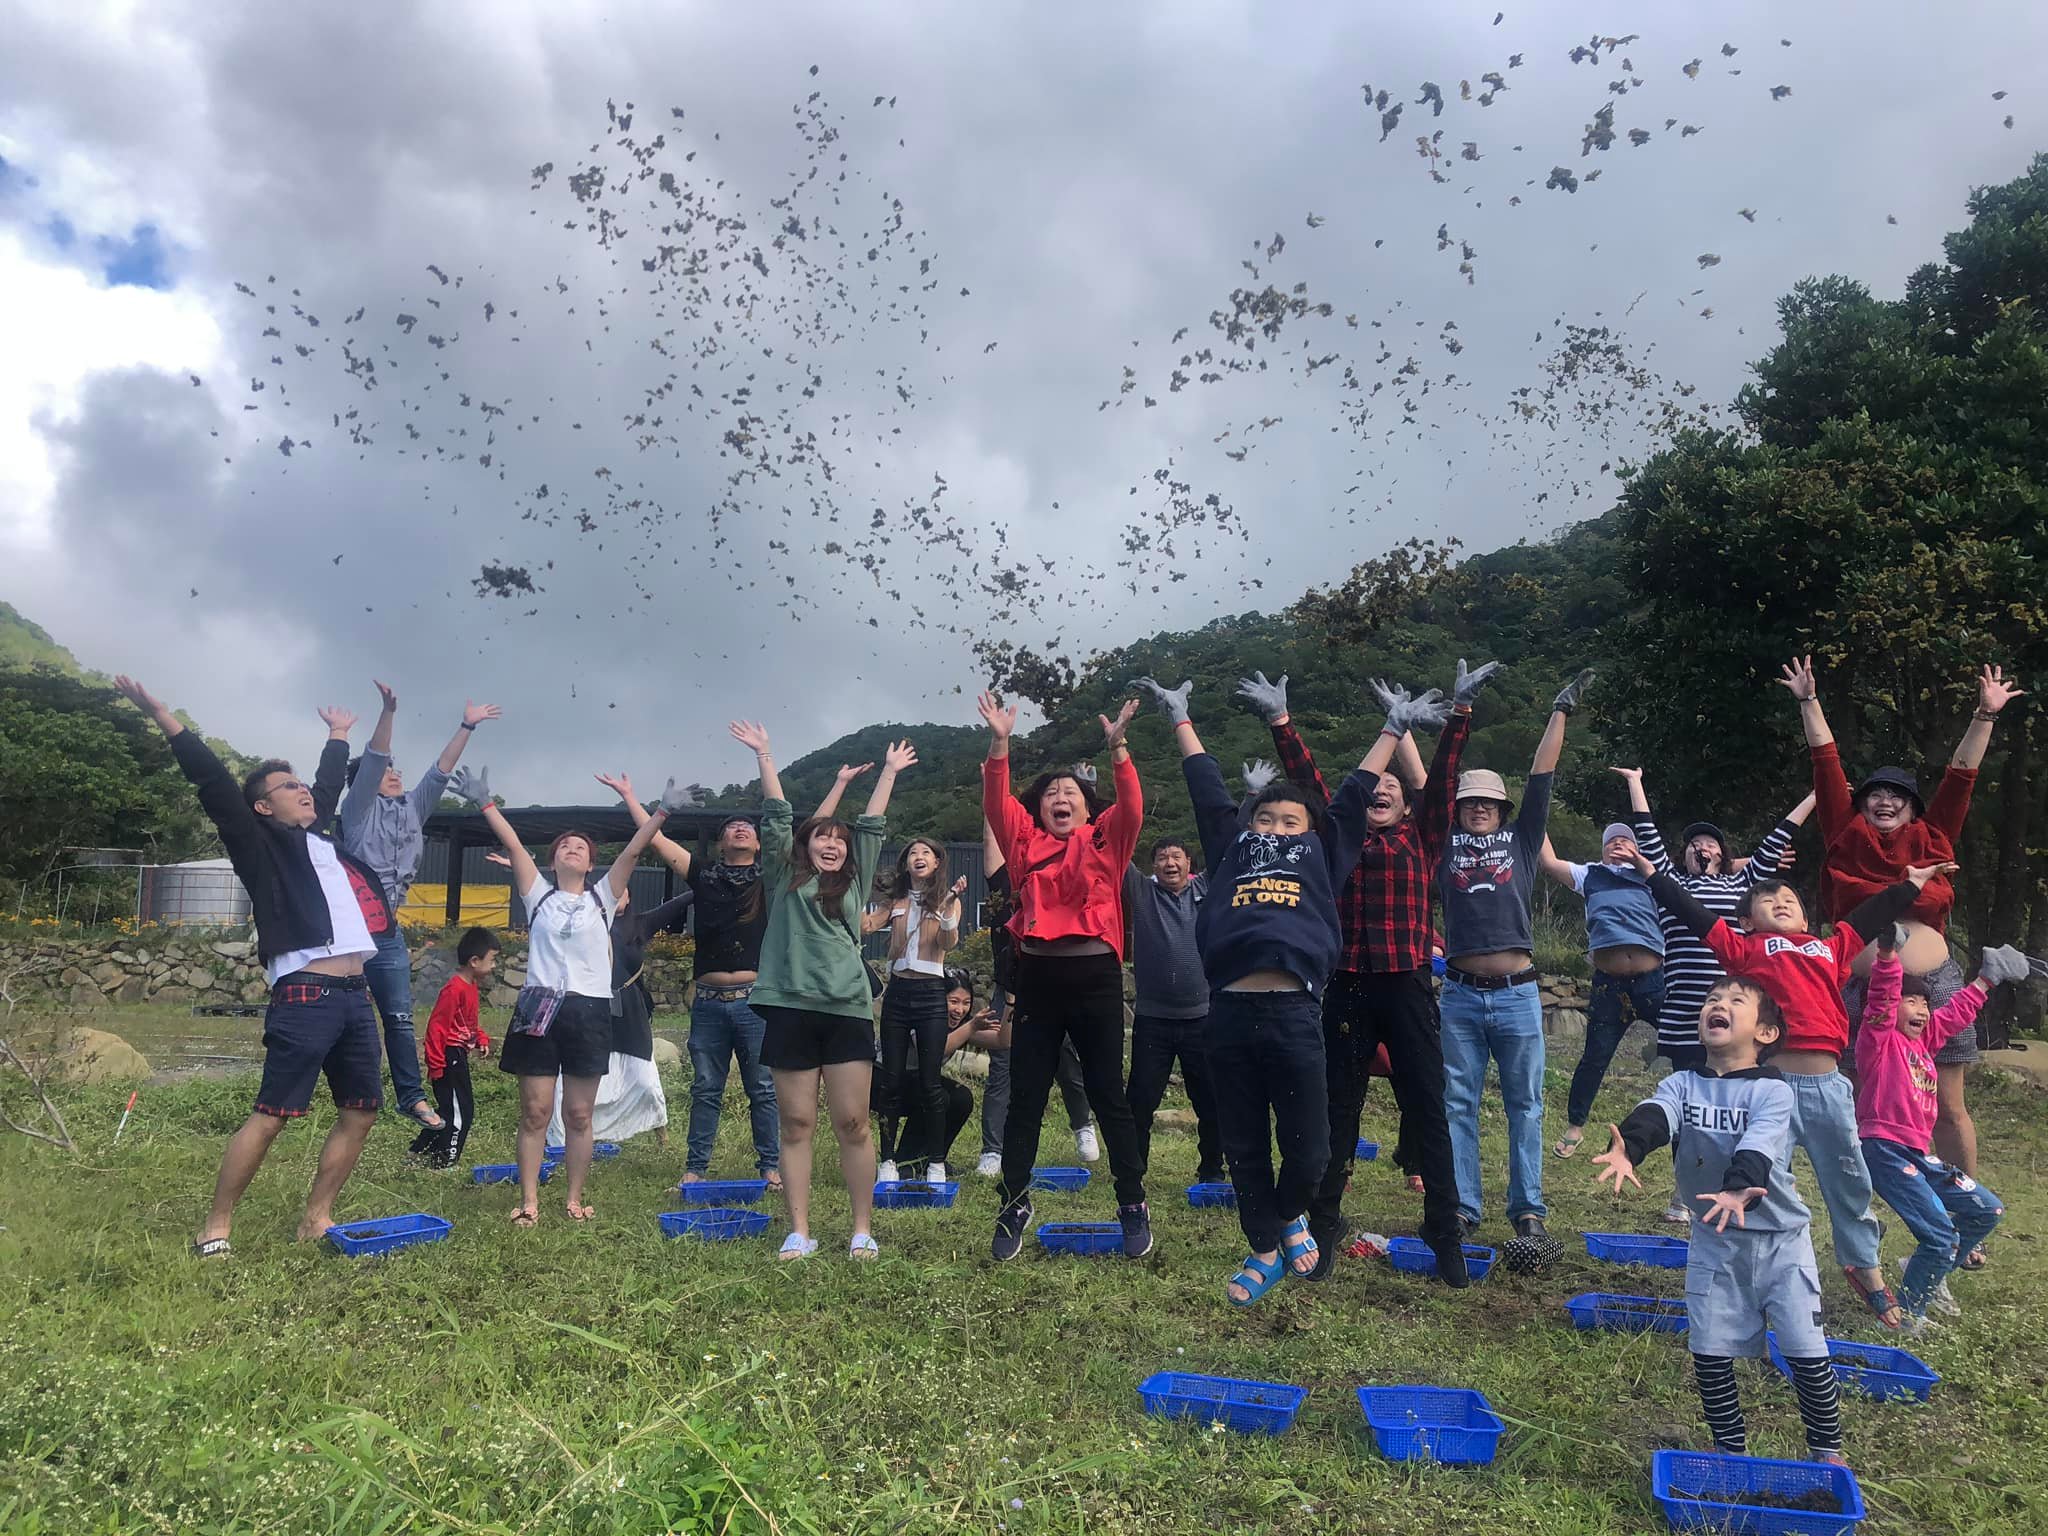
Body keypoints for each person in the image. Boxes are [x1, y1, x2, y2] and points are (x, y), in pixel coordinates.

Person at [113, 677, 393, 1254]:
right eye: (289, 787)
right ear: (264, 806)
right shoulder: (258, 842)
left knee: (361, 1111)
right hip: (307, 993)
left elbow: (327, 785)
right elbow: (213, 783)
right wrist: (164, 714)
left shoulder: (321, 839)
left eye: (303, 785)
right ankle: (216, 1227)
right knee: (272, 1115)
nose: (305, 792)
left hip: (355, 995)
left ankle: (317, 1218)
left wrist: (339, 736)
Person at [1243, 661, 1492, 1287]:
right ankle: (1322, 1225)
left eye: (1390, 789)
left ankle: (1444, 1230)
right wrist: (1281, 722)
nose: (1378, 791)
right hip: (1346, 987)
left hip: (1408, 985)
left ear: (1405, 803)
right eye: (1372, 787)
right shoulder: (1338, 839)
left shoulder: (1425, 838)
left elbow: (1443, 782)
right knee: (1336, 1112)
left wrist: (1459, 716)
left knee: (1428, 1109)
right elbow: (1308, 781)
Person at [1638, 851, 1944, 1329]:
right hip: (1769, 1089)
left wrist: (1910, 886)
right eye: (1767, 898)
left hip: (1827, 1087)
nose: (1780, 901)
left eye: (1789, 898)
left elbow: (1868, 916)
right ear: (1746, 921)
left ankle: (1864, 1268)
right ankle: (1744, 1273)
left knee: (1849, 1181)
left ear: (1805, 914)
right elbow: (1691, 912)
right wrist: (1653, 875)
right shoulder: (1745, 949)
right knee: (1759, 1181)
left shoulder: (1830, 947)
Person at [1140, 678, 1370, 1305]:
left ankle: (1292, 1214)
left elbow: (1350, 800)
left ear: (1309, 830)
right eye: (1264, 816)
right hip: (1231, 1013)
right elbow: (1208, 792)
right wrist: (1182, 719)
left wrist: (1393, 730)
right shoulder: (1234, 849)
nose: (1274, 825)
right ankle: (1264, 1247)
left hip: (1295, 1010)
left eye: (1288, 819)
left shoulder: (1322, 853)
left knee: (1311, 1150)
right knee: (1241, 1143)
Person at [1781, 657, 2022, 1192]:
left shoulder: (1934, 837)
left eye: (1896, 796)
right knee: (1851, 1093)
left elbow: (1961, 777)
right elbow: (1826, 764)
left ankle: (1962, 1204)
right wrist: (1808, 700)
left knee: (1949, 1104)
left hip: (1933, 985)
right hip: (1860, 982)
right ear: (1861, 805)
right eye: (1874, 794)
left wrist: (1985, 714)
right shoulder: (1846, 833)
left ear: (1913, 808)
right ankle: (1863, 1198)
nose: (1884, 800)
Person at [1591, 976, 1846, 1468]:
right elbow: (1657, 1114)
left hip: (1780, 1242)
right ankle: (1729, 1449)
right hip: (1714, 1236)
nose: (1718, 1005)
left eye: (1735, 1001)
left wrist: (1737, 1187)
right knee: (1709, 1348)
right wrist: (1631, 1146)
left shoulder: (1774, 1091)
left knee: (1804, 1347)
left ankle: (1827, 1453)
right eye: (1712, 999)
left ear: (1766, 1033)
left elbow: (1762, 1142)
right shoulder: (1682, 1083)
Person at [457, 764, 680, 1226]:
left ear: (591, 863)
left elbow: (636, 849)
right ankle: (529, 1201)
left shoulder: (603, 896)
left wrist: (662, 811)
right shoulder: (536, 894)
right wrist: (483, 802)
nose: (572, 849)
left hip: (589, 1011)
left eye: (581, 847)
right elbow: (515, 845)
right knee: (535, 1111)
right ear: (553, 859)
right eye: (564, 846)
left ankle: (575, 1198)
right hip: (539, 1007)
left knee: (579, 1113)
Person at [978, 689, 1152, 1262]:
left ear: (1085, 805)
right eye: (1051, 793)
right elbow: (996, 800)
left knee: (1108, 1094)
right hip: (1039, 981)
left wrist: (1119, 746)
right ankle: (1015, 1202)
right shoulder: (1023, 843)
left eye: (1070, 792)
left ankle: (1131, 1201)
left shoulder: (1107, 838)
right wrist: (1001, 742)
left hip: (1096, 977)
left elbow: (1131, 805)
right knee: (1026, 1096)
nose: (1060, 797)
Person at [734, 721, 912, 1260]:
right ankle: (799, 1230)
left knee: (853, 1122)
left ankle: (862, 1228)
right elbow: (778, 817)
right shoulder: (783, 878)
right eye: (822, 837)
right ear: (804, 847)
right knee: (797, 1123)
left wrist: (888, 772)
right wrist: (766, 755)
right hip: (789, 1010)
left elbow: (872, 825)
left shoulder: (853, 884)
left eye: (839, 840)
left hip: (846, 1011)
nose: (832, 844)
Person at [1438, 669, 1593, 1260]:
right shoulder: (1442, 844)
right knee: (1459, 1100)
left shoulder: (1524, 841)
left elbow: (1541, 779)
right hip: (1458, 992)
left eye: (1488, 802)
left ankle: (1527, 1209)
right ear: (1458, 809)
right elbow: (1424, 787)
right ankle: (1463, 1205)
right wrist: (1405, 727)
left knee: (1525, 1102)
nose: (1479, 808)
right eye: (1469, 801)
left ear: (1502, 810)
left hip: (1518, 993)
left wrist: (1560, 712)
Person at [1617, 767, 1812, 1222]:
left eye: (1710, 844)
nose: (1700, 848)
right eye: (1692, 844)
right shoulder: (1672, 885)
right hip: (1687, 1012)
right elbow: (1647, 838)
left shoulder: (1742, 887)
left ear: (1725, 855)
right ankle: (1687, 1191)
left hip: (1740, 1016)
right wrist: (1635, 782)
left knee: (1753, 1100)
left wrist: (1814, 798)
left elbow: (1773, 842)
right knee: (1689, 1106)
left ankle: (1760, 1177)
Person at [597, 770, 803, 1190]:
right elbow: (654, 839)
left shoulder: (770, 879)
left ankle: (771, 1167)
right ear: (721, 843)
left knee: (762, 1088)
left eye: (747, 827)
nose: (739, 829)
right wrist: (631, 794)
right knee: (705, 1087)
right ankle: (695, 1168)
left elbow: (785, 823)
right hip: (708, 1000)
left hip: (755, 1000)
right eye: (731, 828)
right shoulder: (703, 874)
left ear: (760, 842)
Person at [336, 681, 500, 1132]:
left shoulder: (412, 809)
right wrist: (388, 713)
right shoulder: (356, 813)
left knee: (400, 1018)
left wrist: (467, 723)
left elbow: (440, 771)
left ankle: (410, 1098)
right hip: (345, 932)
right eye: (387, 771)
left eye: (396, 769)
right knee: (337, 1017)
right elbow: (370, 763)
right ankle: (332, 1088)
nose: (395, 773)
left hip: (385, 931)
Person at [1855, 927, 2019, 1330]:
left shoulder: (1922, 1045)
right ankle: (1908, 1315)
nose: (1922, 1009)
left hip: (1918, 1153)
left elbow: (1955, 1014)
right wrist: (1890, 956)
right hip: (1883, 1149)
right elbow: (1880, 998)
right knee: (1941, 1234)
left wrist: (1987, 978)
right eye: (1909, 1000)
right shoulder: (1878, 1042)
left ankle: (1926, 1262)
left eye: (1925, 1002)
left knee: (1987, 1210)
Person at [975, 820, 1100, 1177]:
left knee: (1068, 1058)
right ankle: (993, 1150)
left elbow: (1081, 848)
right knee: (1002, 1067)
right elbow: (991, 845)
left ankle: (1082, 1125)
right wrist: (991, 803)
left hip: (1053, 982)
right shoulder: (1004, 888)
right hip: (1010, 985)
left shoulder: (1058, 880)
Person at [1540, 823, 1666, 1159]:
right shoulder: (1590, 874)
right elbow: (1549, 862)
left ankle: (1692, 1115)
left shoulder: (1652, 876)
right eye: (1611, 842)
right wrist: (1535, 813)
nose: (1618, 845)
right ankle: (1575, 1127)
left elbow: (1702, 870)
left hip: (1653, 980)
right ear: (1602, 851)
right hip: (1609, 983)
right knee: (1595, 1056)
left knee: (1682, 1049)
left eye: (1625, 840)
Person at [546, 882, 693, 1148]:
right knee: (582, 1073)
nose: (615, 897)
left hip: (630, 1012)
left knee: (644, 1078)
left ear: (629, 895)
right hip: (590, 1009)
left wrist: (705, 884)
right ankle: (568, 1136)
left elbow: (677, 904)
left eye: (621, 891)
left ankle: (660, 1132)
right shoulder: (584, 925)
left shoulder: (640, 924)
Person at [1120, 838, 1223, 1184]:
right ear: (1151, 867)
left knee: (1211, 1101)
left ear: (1189, 862)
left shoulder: (1207, 888)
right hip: (1153, 1020)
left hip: (1203, 1018)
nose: (1169, 863)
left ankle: (1211, 1169)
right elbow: (1115, 846)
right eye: (1161, 857)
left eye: (1176, 856)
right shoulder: (1141, 892)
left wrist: (1252, 796)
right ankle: (1133, 1170)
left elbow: (1226, 843)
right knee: (1140, 1101)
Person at [873, 841, 968, 1183]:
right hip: (898, 992)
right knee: (891, 1080)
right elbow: (867, 926)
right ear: (905, 863)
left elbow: (948, 943)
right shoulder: (895, 900)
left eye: (926, 853)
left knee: (930, 1082)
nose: (919, 857)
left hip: (930, 993)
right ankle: (887, 1161)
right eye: (913, 853)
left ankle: (937, 1163)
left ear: (938, 862)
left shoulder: (948, 900)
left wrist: (948, 908)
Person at [870, 969, 1001, 1177]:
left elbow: (1002, 1041)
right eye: (954, 1001)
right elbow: (933, 1049)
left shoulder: (963, 1027)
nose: (959, 1010)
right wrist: (972, 1026)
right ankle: (904, 1161)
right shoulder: (920, 1017)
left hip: (917, 1083)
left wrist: (1012, 1002)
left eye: (966, 1003)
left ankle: (926, 1159)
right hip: (881, 1080)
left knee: (961, 1097)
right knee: (937, 1096)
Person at [413, 926, 497, 1168]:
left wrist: (480, 1038)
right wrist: (437, 1065)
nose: (493, 966)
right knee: (462, 1113)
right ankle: (445, 1162)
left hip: (458, 1054)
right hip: (449, 1057)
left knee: (449, 1111)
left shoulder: (471, 987)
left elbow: (468, 1022)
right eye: (491, 960)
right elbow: (437, 1028)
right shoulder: (454, 988)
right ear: (474, 961)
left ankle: (419, 1151)